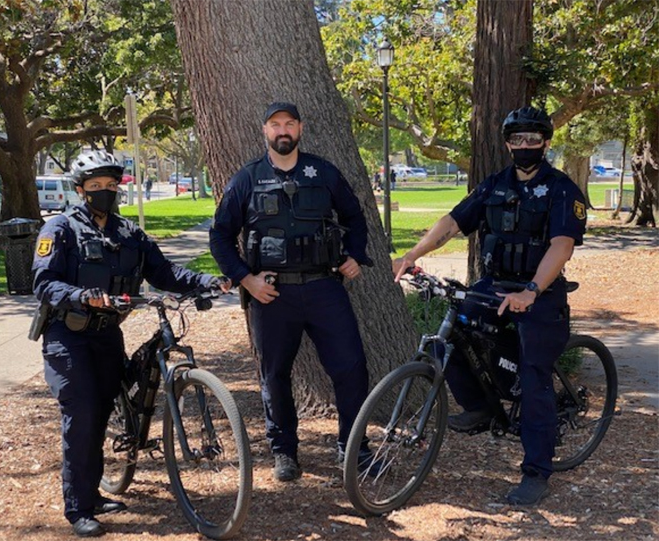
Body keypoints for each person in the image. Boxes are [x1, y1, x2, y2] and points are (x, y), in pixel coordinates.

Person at [393, 106, 587, 506]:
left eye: (533, 139)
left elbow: (561, 246)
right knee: (450, 337)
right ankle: (481, 407)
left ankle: (536, 470)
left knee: (534, 379)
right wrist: (411, 254)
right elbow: (451, 222)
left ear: (546, 143)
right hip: (495, 286)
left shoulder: (562, 189)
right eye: (518, 139)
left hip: (541, 294)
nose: (525, 146)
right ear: (507, 143)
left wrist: (532, 289)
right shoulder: (494, 185)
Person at [32, 150, 228, 537]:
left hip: (107, 334)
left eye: (110, 186)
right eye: (95, 187)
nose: (104, 192)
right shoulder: (60, 229)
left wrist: (205, 281)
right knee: (84, 413)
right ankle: (79, 507)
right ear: (80, 189)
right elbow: (42, 283)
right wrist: (80, 295)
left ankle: (96, 489)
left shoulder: (129, 234)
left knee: (105, 408)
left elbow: (163, 271)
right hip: (67, 338)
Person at [210, 102, 374, 482]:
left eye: (289, 124)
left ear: (300, 128)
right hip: (272, 295)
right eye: (275, 125)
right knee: (275, 375)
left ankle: (353, 450)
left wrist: (354, 255)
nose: (282, 130)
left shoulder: (324, 172)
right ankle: (284, 451)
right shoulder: (246, 179)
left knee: (351, 368)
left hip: (323, 288)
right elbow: (219, 235)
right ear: (265, 131)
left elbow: (355, 217)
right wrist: (245, 279)